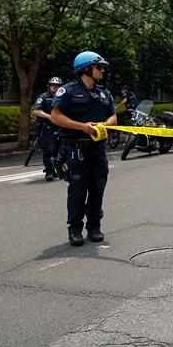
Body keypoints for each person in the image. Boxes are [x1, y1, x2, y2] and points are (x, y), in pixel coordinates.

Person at [50, 52, 117, 247]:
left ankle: (94, 227)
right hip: (74, 149)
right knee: (78, 190)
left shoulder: (104, 92)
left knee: (98, 188)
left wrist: (104, 124)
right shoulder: (68, 91)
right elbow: (56, 117)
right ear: (86, 69)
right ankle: (75, 230)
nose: (102, 70)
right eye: (99, 67)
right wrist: (82, 127)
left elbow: (113, 117)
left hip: (97, 150)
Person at [32, 77, 64, 181]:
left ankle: (59, 169)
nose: (54, 87)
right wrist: (48, 116)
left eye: (57, 86)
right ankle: (49, 171)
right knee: (48, 150)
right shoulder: (44, 97)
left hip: (60, 128)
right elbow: (36, 110)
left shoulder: (63, 97)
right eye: (52, 85)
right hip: (48, 128)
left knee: (60, 150)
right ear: (49, 86)